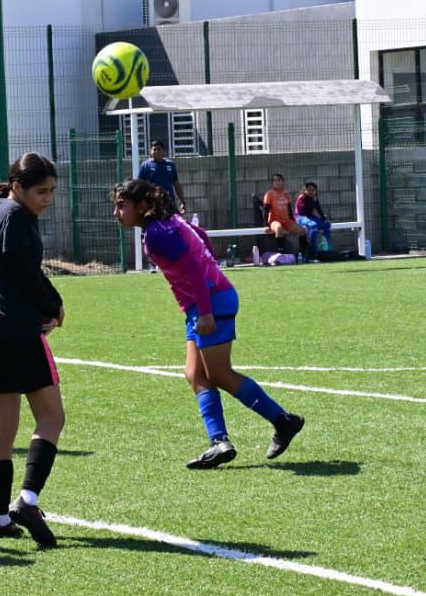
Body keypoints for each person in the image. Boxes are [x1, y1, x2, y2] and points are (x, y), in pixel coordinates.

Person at [113, 179, 305, 469]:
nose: (116, 212)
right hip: (206, 302)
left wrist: (204, 310)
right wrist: (208, 278)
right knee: (195, 374)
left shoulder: (156, 233)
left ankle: (283, 421)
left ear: (141, 206)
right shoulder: (169, 222)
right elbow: (200, 236)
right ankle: (219, 443)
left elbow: (192, 268)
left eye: (121, 205)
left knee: (219, 374)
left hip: (210, 304)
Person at [0, 153, 65, 547]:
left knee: (5, 424)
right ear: (18, 186)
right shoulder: (15, 216)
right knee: (52, 419)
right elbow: (26, 274)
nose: (47, 198)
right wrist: (55, 306)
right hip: (16, 331)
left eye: (52, 191)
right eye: (41, 191)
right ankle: (27, 500)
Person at [137, 141, 186, 214]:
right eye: (154, 149)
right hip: (153, 204)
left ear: (163, 151)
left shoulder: (170, 165)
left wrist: (182, 201)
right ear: (150, 151)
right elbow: (139, 185)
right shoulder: (146, 165)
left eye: (159, 149)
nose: (156, 151)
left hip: (169, 203)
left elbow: (176, 184)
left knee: (174, 223)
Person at [262, 174, 305, 249]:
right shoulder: (269, 194)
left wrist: (293, 221)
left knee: (302, 231)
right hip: (274, 221)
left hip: (286, 221)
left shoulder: (286, 193)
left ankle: (304, 253)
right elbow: (265, 210)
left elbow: (289, 208)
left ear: (282, 181)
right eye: (274, 180)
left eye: (279, 180)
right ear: (272, 183)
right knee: (279, 230)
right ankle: (281, 254)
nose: (277, 182)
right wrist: (266, 225)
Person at [294, 181, 332, 251]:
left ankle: (326, 248)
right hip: (301, 217)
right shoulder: (301, 198)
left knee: (327, 225)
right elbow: (303, 212)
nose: (311, 192)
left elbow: (318, 208)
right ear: (305, 190)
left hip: (310, 217)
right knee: (313, 225)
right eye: (309, 190)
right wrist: (313, 202)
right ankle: (313, 250)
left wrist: (324, 218)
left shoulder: (314, 197)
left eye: (313, 190)